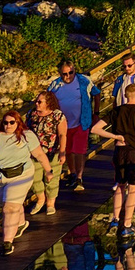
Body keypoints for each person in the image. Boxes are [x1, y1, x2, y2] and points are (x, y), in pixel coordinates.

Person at [91, 79, 135, 230]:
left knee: (120, 186)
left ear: (124, 95)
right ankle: (127, 224)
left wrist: (115, 137)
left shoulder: (116, 111)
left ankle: (115, 218)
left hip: (119, 149)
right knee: (133, 188)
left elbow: (95, 129)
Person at [0, 108, 36, 249]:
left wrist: (48, 170)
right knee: (10, 205)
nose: (8, 125)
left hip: (21, 174)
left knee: (9, 207)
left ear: (18, 123)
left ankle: (7, 242)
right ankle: (21, 223)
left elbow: (39, 154)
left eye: (12, 122)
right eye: (5, 122)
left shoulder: (26, 135)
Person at [49, 58, 94, 193]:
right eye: (64, 74)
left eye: (70, 73)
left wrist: (96, 112)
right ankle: (72, 173)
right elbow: (47, 99)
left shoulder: (83, 81)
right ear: (59, 73)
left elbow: (96, 93)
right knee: (68, 150)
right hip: (63, 124)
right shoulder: (55, 85)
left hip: (82, 121)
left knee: (79, 150)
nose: (67, 76)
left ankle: (79, 177)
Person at [26, 89, 68, 217]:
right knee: (34, 177)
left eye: (40, 102)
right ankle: (40, 199)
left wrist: (62, 152)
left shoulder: (58, 115)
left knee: (52, 179)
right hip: (35, 152)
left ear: (48, 103)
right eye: (36, 101)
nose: (37, 104)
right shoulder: (32, 114)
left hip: (52, 151)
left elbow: (62, 134)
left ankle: (51, 203)